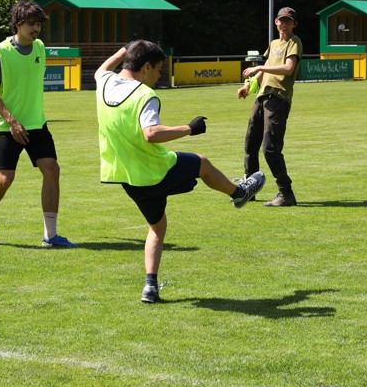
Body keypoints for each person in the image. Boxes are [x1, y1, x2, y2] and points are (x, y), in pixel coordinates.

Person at [95, 40, 266, 303]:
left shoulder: (103, 82)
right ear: (146, 66)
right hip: (156, 171)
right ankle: (239, 192)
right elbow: (151, 133)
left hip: (127, 177)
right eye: (158, 69)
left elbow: (104, 68)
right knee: (202, 163)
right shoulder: (144, 95)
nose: (159, 74)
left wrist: (125, 50)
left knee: (157, 227)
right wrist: (189, 128)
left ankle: (150, 286)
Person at [0, 1, 75, 247]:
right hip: (6, 126)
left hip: (37, 124)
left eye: (39, 24)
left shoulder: (40, 47)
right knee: (4, 180)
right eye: (31, 23)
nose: (36, 28)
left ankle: (50, 236)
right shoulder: (1, 51)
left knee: (52, 169)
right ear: (18, 24)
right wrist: (11, 120)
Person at [237, 6, 303, 207]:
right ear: (276, 22)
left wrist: (259, 66)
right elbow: (265, 72)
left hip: (278, 98)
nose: (284, 24)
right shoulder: (274, 43)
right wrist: (248, 87)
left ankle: (286, 193)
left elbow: (288, 68)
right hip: (262, 96)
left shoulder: (294, 42)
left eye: (288, 21)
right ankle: (249, 188)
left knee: (270, 148)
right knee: (250, 143)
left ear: (294, 24)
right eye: (281, 20)